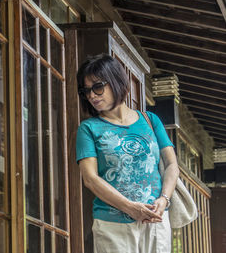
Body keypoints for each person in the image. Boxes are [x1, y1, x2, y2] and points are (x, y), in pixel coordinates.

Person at [75, 54, 179, 253]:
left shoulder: (150, 120)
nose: (92, 96)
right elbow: (90, 179)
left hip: (155, 220)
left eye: (97, 87)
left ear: (116, 81)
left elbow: (172, 165)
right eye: (86, 91)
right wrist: (131, 208)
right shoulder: (88, 128)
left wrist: (164, 199)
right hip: (112, 225)